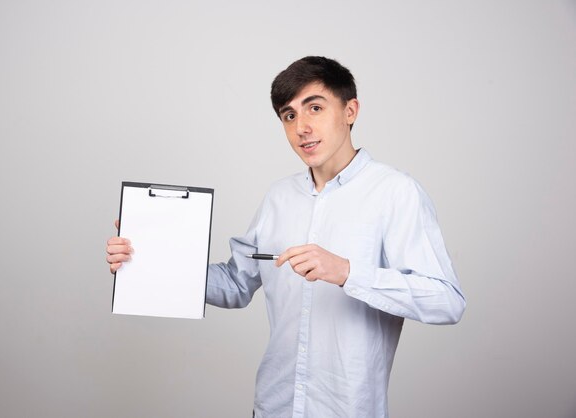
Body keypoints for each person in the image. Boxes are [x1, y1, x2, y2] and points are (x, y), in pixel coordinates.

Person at [106, 56, 466, 418]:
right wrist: (150, 256)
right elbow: (235, 283)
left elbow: (447, 300)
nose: (302, 127)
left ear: (350, 111)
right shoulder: (279, 197)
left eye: (315, 108)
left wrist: (346, 271)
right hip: (273, 406)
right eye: (289, 115)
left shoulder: (395, 192)